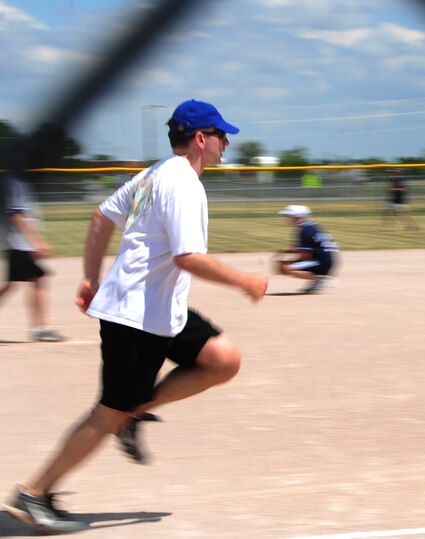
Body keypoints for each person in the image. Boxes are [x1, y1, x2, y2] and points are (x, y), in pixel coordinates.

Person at [3, 99, 268, 534]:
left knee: (223, 359)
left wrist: (91, 281)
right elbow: (188, 258)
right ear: (201, 139)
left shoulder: (153, 173)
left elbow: (100, 217)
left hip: (163, 311)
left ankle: (134, 412)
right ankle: (34, 493)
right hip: (137, 318)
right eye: (222, 135)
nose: (226, 143)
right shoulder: (182, 182)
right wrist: (244, 281)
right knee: (107, 412)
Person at [0, 174, 66, 342]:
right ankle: (40, 328)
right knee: (38, 279)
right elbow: (15, 214)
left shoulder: (15, 179)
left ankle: (40, 328)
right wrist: (37, 241)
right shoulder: (14, 181)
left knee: (13, 285)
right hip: (20, 243)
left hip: (18, 243)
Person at [275, 204, 338, 294]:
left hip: (321, 262)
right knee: (287, 265)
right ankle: (318, 279)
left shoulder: (305, 230)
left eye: (289, 216)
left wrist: (288, 261)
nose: (287, 218)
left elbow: (305, 255)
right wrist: (289, 251)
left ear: (297, 217)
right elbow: (312, 247)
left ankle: (320, 279)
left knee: (285, 268)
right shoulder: (311, 226)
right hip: (326, 260)